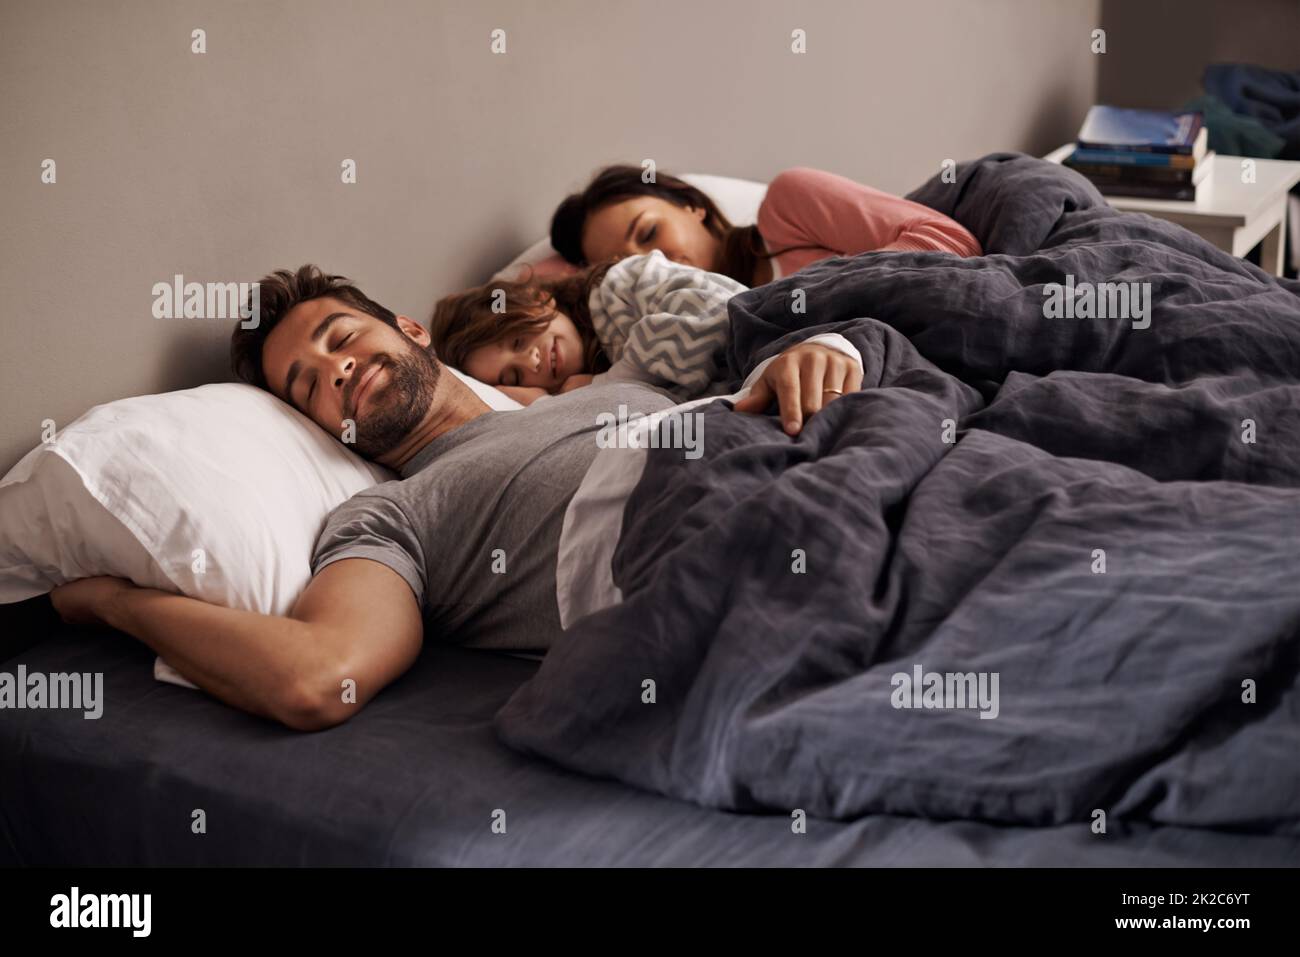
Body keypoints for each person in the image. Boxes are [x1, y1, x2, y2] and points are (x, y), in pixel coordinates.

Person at [48, 265, 861, 731]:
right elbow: (318, 676)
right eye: (308, 384)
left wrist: (812, 351)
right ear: (325, 431)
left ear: (409, 329)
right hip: (753, 564)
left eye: (342, 337)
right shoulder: (389, 517)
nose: (334, 369)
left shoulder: (608, 384)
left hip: (854, 470)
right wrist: (119, 603)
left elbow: (756, 338)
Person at [431, 250, 862, 435]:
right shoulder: (587, 389)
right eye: (514, 374)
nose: (533, 359)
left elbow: (705, 313)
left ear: (538, 298)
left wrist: (600, 386)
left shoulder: (622, 285)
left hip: (787, 331)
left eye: (520, 338)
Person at [547, 165, 982, 287]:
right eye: (626, 265)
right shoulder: (696, 341)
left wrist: (825, 299)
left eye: (648, 234)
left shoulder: (789, 205)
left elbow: (949, 242)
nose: (654, 263)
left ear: (690, 205)